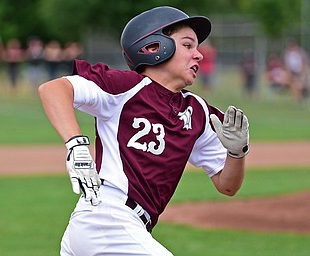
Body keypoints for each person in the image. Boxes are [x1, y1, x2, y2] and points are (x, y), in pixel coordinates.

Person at [38, 6, 250, 256]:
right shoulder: (126, 87)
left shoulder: (198, 113)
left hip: (122, 227)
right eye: (188, 45)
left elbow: (227, 185)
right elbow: (53, 89)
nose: (199, 55)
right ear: (154, 47)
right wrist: (76, 144)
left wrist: (237, 153)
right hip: (107, 218)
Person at [283, 38, 309, 103]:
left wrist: (303, 72)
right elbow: (287, 65)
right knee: (295, 86)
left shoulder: (300, 52)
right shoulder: (288, 54)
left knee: (301, 86)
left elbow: (305, 62)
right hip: (293, 72)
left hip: (301, 72)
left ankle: (301, 97)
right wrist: (289, 73)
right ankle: (298, 99)